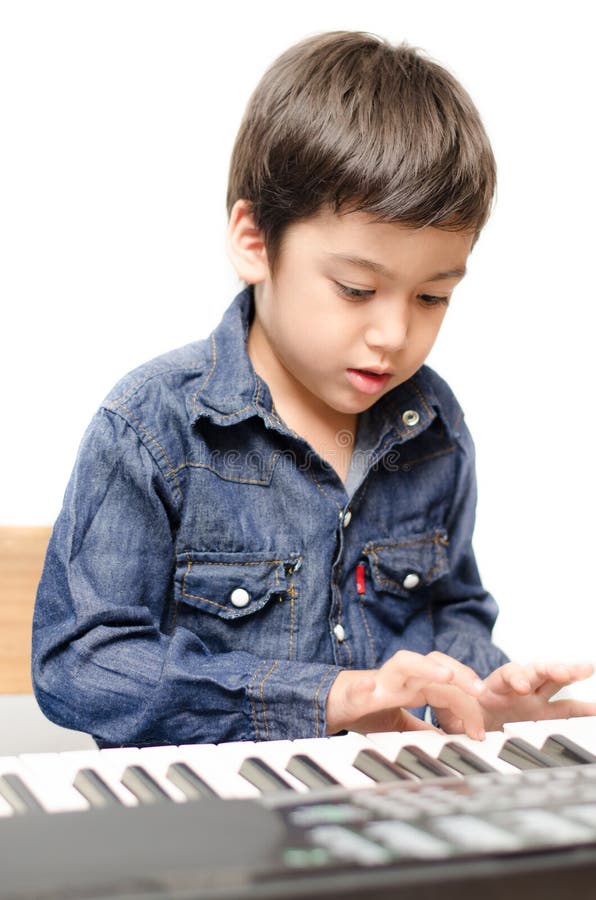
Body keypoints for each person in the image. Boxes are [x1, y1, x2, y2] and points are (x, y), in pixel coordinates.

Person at [32, 31, 596, 748]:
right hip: (210, 826)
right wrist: (323, 696)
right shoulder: (152, 426)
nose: (394, 333)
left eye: (431, 297)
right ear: (254, 241)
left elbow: (451, 608)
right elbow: (81, 663)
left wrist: (478, 687)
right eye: (357, 289)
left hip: (384, 814)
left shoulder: (434, 428)